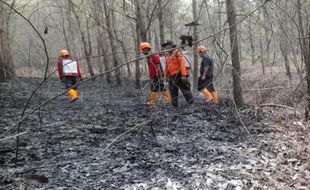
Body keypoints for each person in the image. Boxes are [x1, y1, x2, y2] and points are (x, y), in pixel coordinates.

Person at [164, 41, 194, 107]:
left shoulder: (178, 53)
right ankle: (174, 105)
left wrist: (183, 75)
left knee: (185, 89)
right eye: (165, 47)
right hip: (171, 76)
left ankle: (191, 104)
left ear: (172, 46)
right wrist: (166, 75)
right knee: (173, 91)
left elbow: (182, 64)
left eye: (168, 46)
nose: (166, 48)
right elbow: (167, 66)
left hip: (179, 75)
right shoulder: (167, 55)